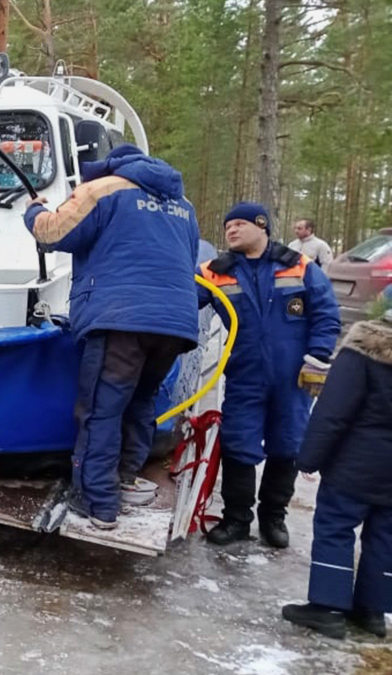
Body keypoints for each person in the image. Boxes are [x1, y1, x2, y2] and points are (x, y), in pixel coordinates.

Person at [24, 144, 201, 530]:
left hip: (121, 319)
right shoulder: (182, 204)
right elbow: (187, 261)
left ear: (113, 163)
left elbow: (53, 232)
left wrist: (34, 209)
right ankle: (122, 477)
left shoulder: (103, 188)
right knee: (140, 400)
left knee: (102, 409)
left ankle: (96, 502)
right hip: (175, 324)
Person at [198, 202, 341, 548]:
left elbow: (326, 313)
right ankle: (236, 520)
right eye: (227, 226)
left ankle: (273, 517)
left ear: (262, 226)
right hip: (245, 375)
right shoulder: (214, 271)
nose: (230, 230)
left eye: (239, 224)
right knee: (239, 444)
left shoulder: (300, 267)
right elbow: (179, 301)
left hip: (294, 377)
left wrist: (318, 357)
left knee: (287, 445)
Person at [281, 305, 392, 640]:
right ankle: (372, 611)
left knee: (335, 527)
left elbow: (333, 411)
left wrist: (308, 459)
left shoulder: (363, 349)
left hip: (355, 466)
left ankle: (327, 606)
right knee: (386, 536)